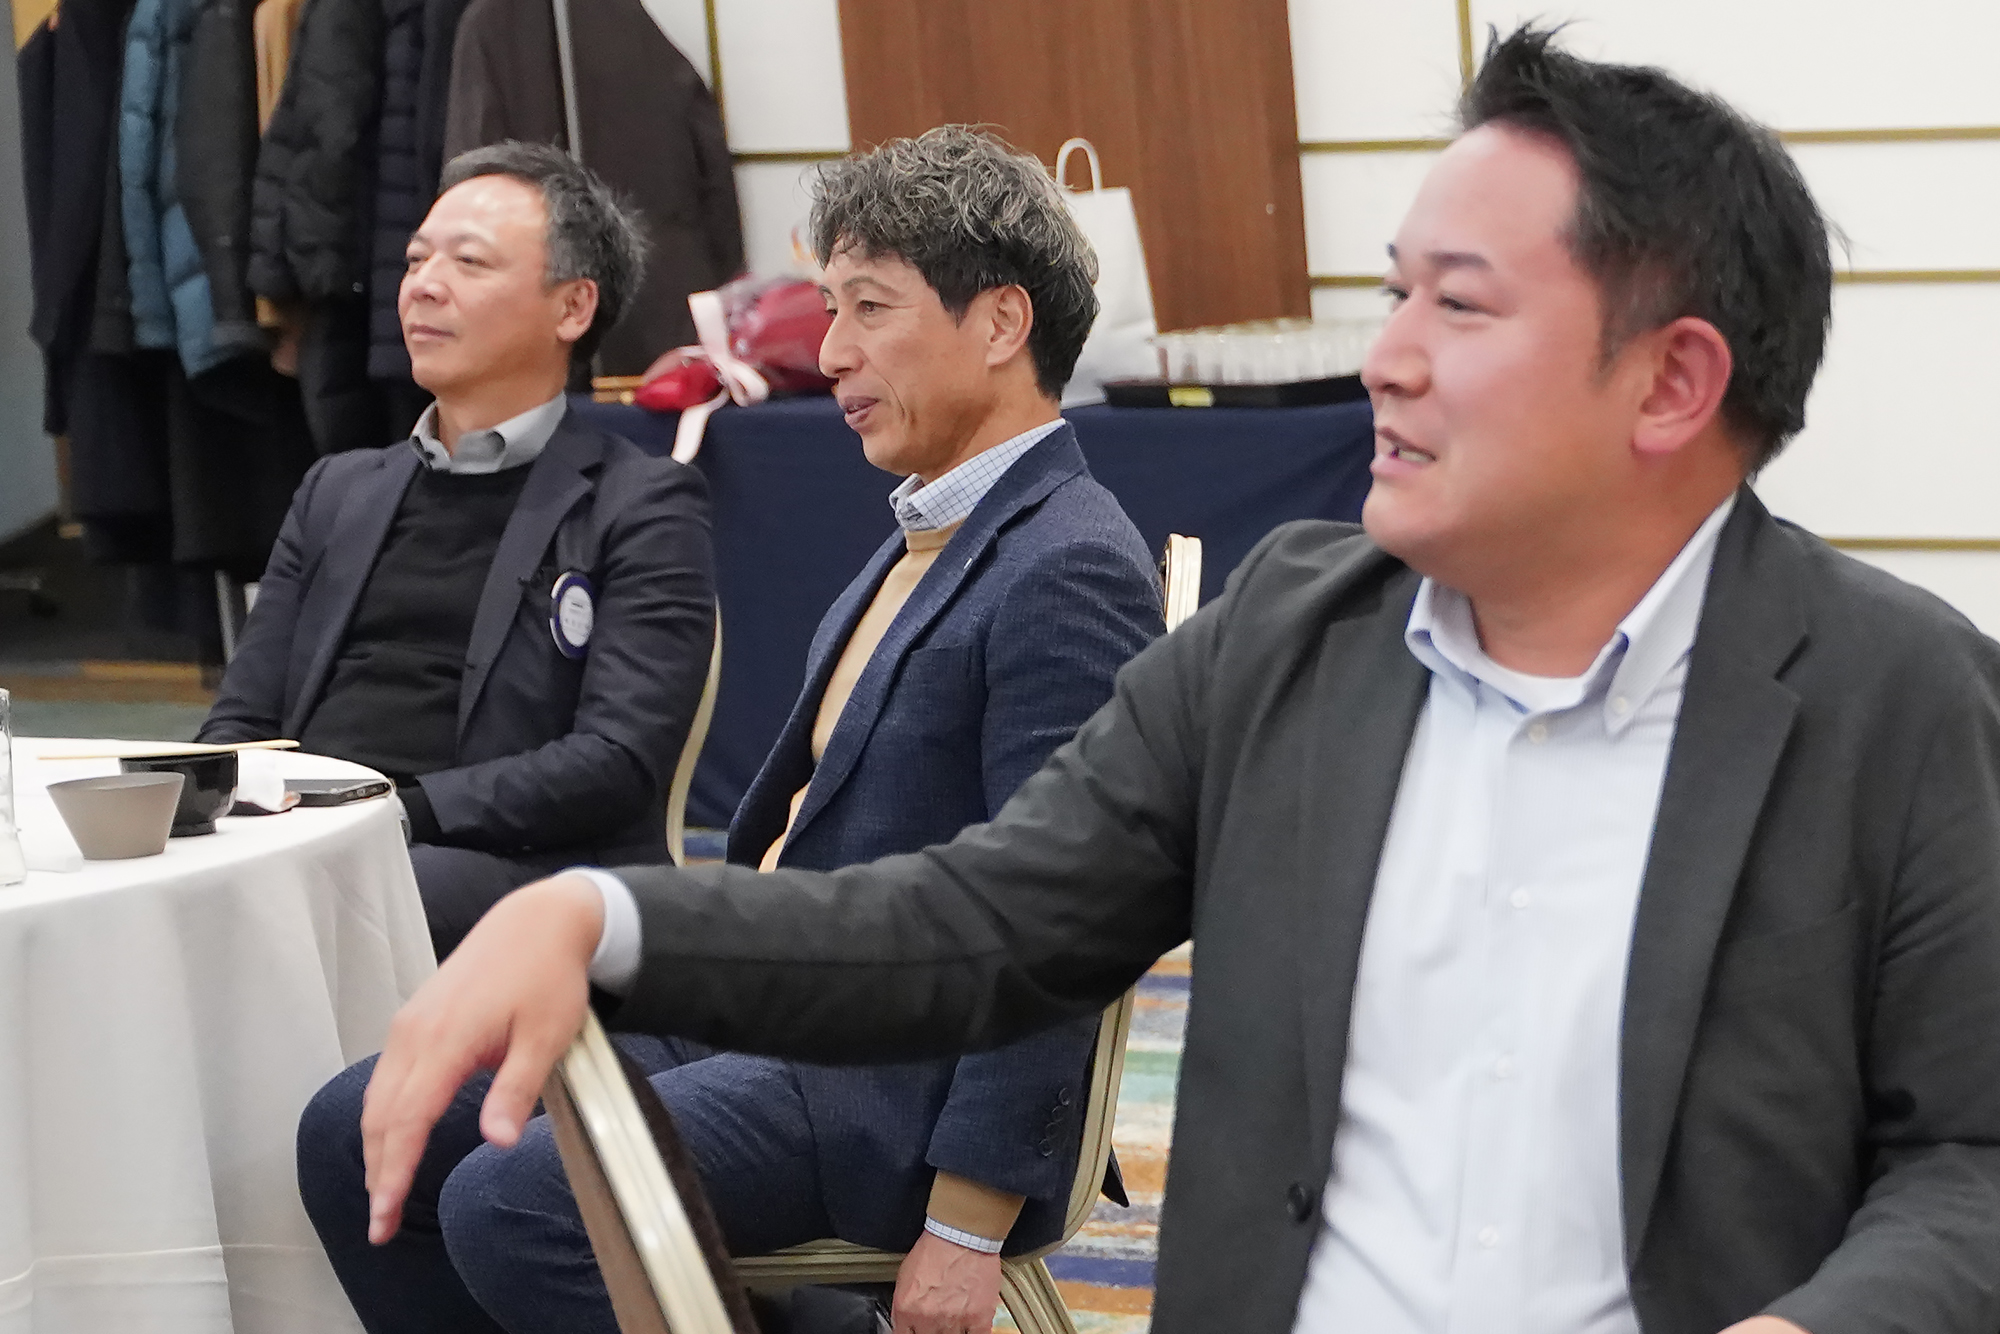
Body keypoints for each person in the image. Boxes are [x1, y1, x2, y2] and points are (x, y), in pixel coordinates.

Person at [357, 28, 2000, 1334]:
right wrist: (607, 916)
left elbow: (1973, 1158)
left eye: (1460, 305)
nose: (1387, 356)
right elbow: (981, 921)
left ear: (1673, 382)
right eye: (1395, 291)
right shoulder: (1291, 638)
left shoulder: (1901, 701)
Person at [299, 127, 1165, 1334]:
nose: (831, 350)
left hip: (887, 1084)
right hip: (772, 1011)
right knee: (353, 1129)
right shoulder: (930, 529)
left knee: (516, 1204)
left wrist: (967, 1224)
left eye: (868, 307)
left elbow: (1065, 927)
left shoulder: (1067, 562)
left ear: (1000, 322)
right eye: (829, 307)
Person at [202, 142, 715, 959]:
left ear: (572, 308)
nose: (422, 285)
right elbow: (242, 722)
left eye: (468, 262)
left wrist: (392, 813)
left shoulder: (640, 503)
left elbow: (615, 762)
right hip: (315, 842)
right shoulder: (338, 490)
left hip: (507, 865)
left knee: (340, 903)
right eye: (415, 260)